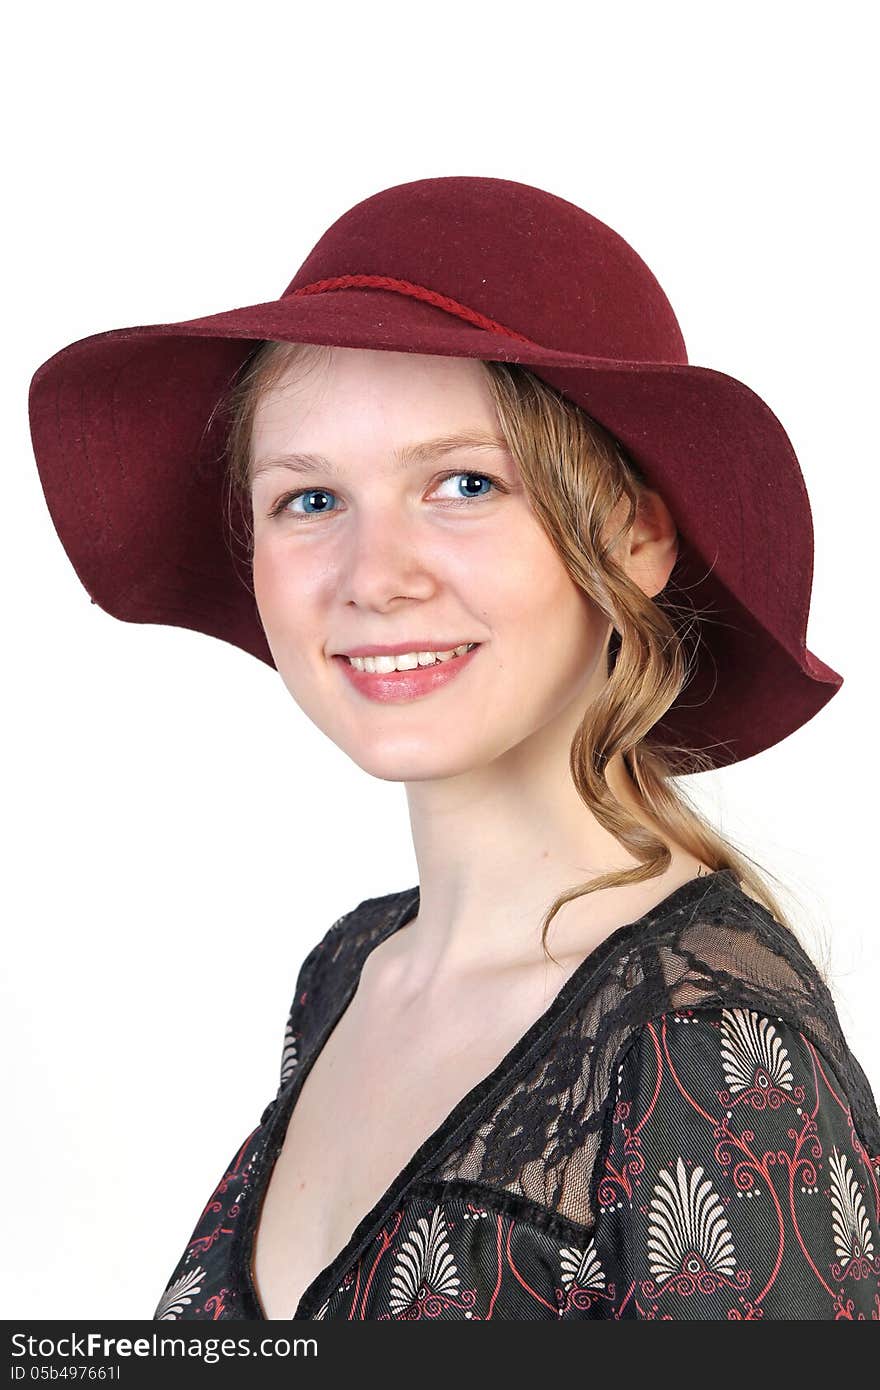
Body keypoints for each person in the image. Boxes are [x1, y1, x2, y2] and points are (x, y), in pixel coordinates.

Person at [28, 176, 880, 1321]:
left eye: (464, 483)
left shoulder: (713, 1052)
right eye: (310, 499)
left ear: (631, 534)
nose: (375, 575)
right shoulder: (351, 973)